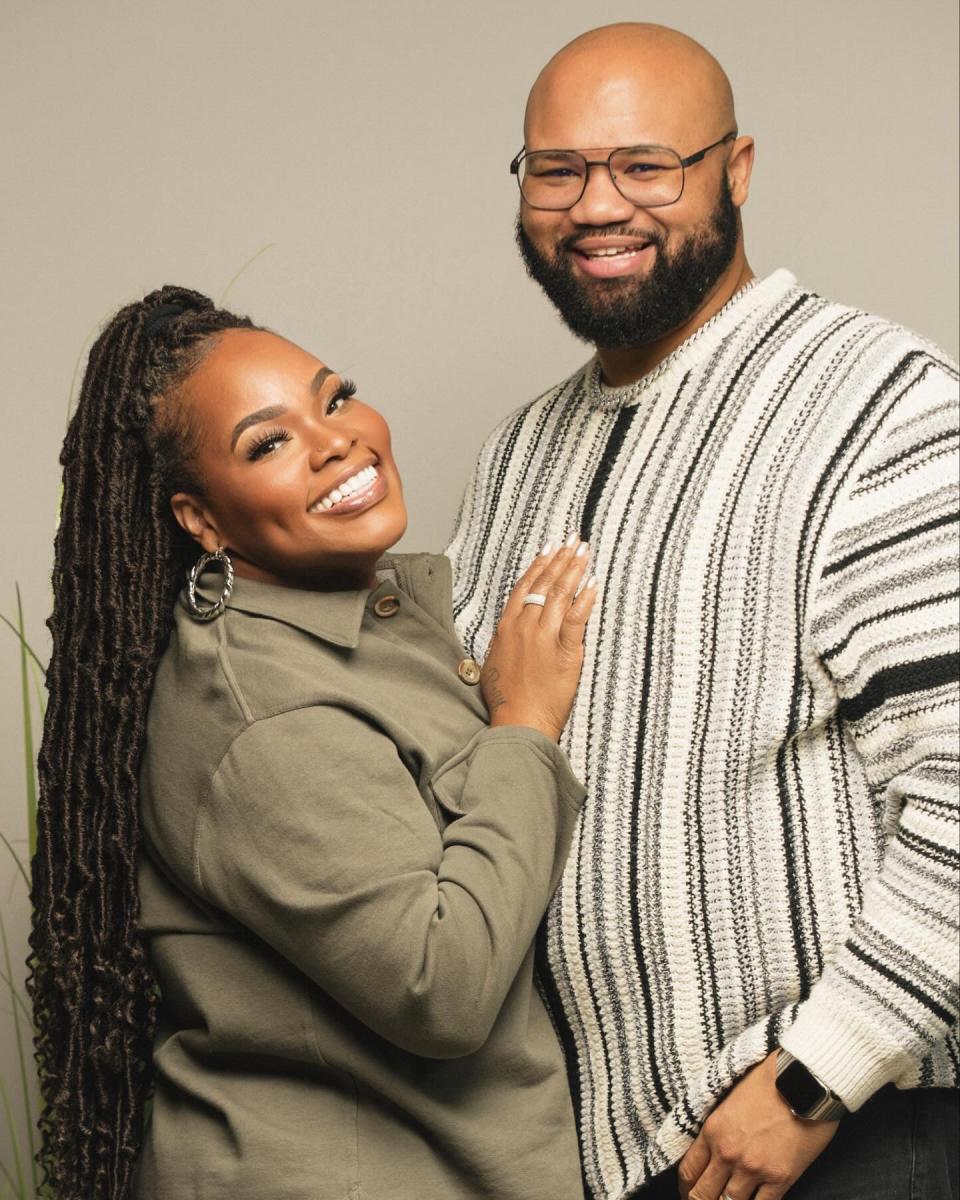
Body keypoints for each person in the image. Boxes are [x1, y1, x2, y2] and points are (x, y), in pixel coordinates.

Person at [447, 22, 959, 1200]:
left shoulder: (879, 404)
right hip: (623, 1162)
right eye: (558, 170)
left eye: (646, 165)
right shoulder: (515, 456)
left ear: (736, 171)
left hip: (838, 1139)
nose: (597, 205)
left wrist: (811, 1079)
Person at [31, 285, 599, 1199]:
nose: (336, 439)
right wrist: (524, 728)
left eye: (333, 397)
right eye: (268, 442)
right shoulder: (261, 711)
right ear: (200, 520)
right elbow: (440, 985)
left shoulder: (365, 618)